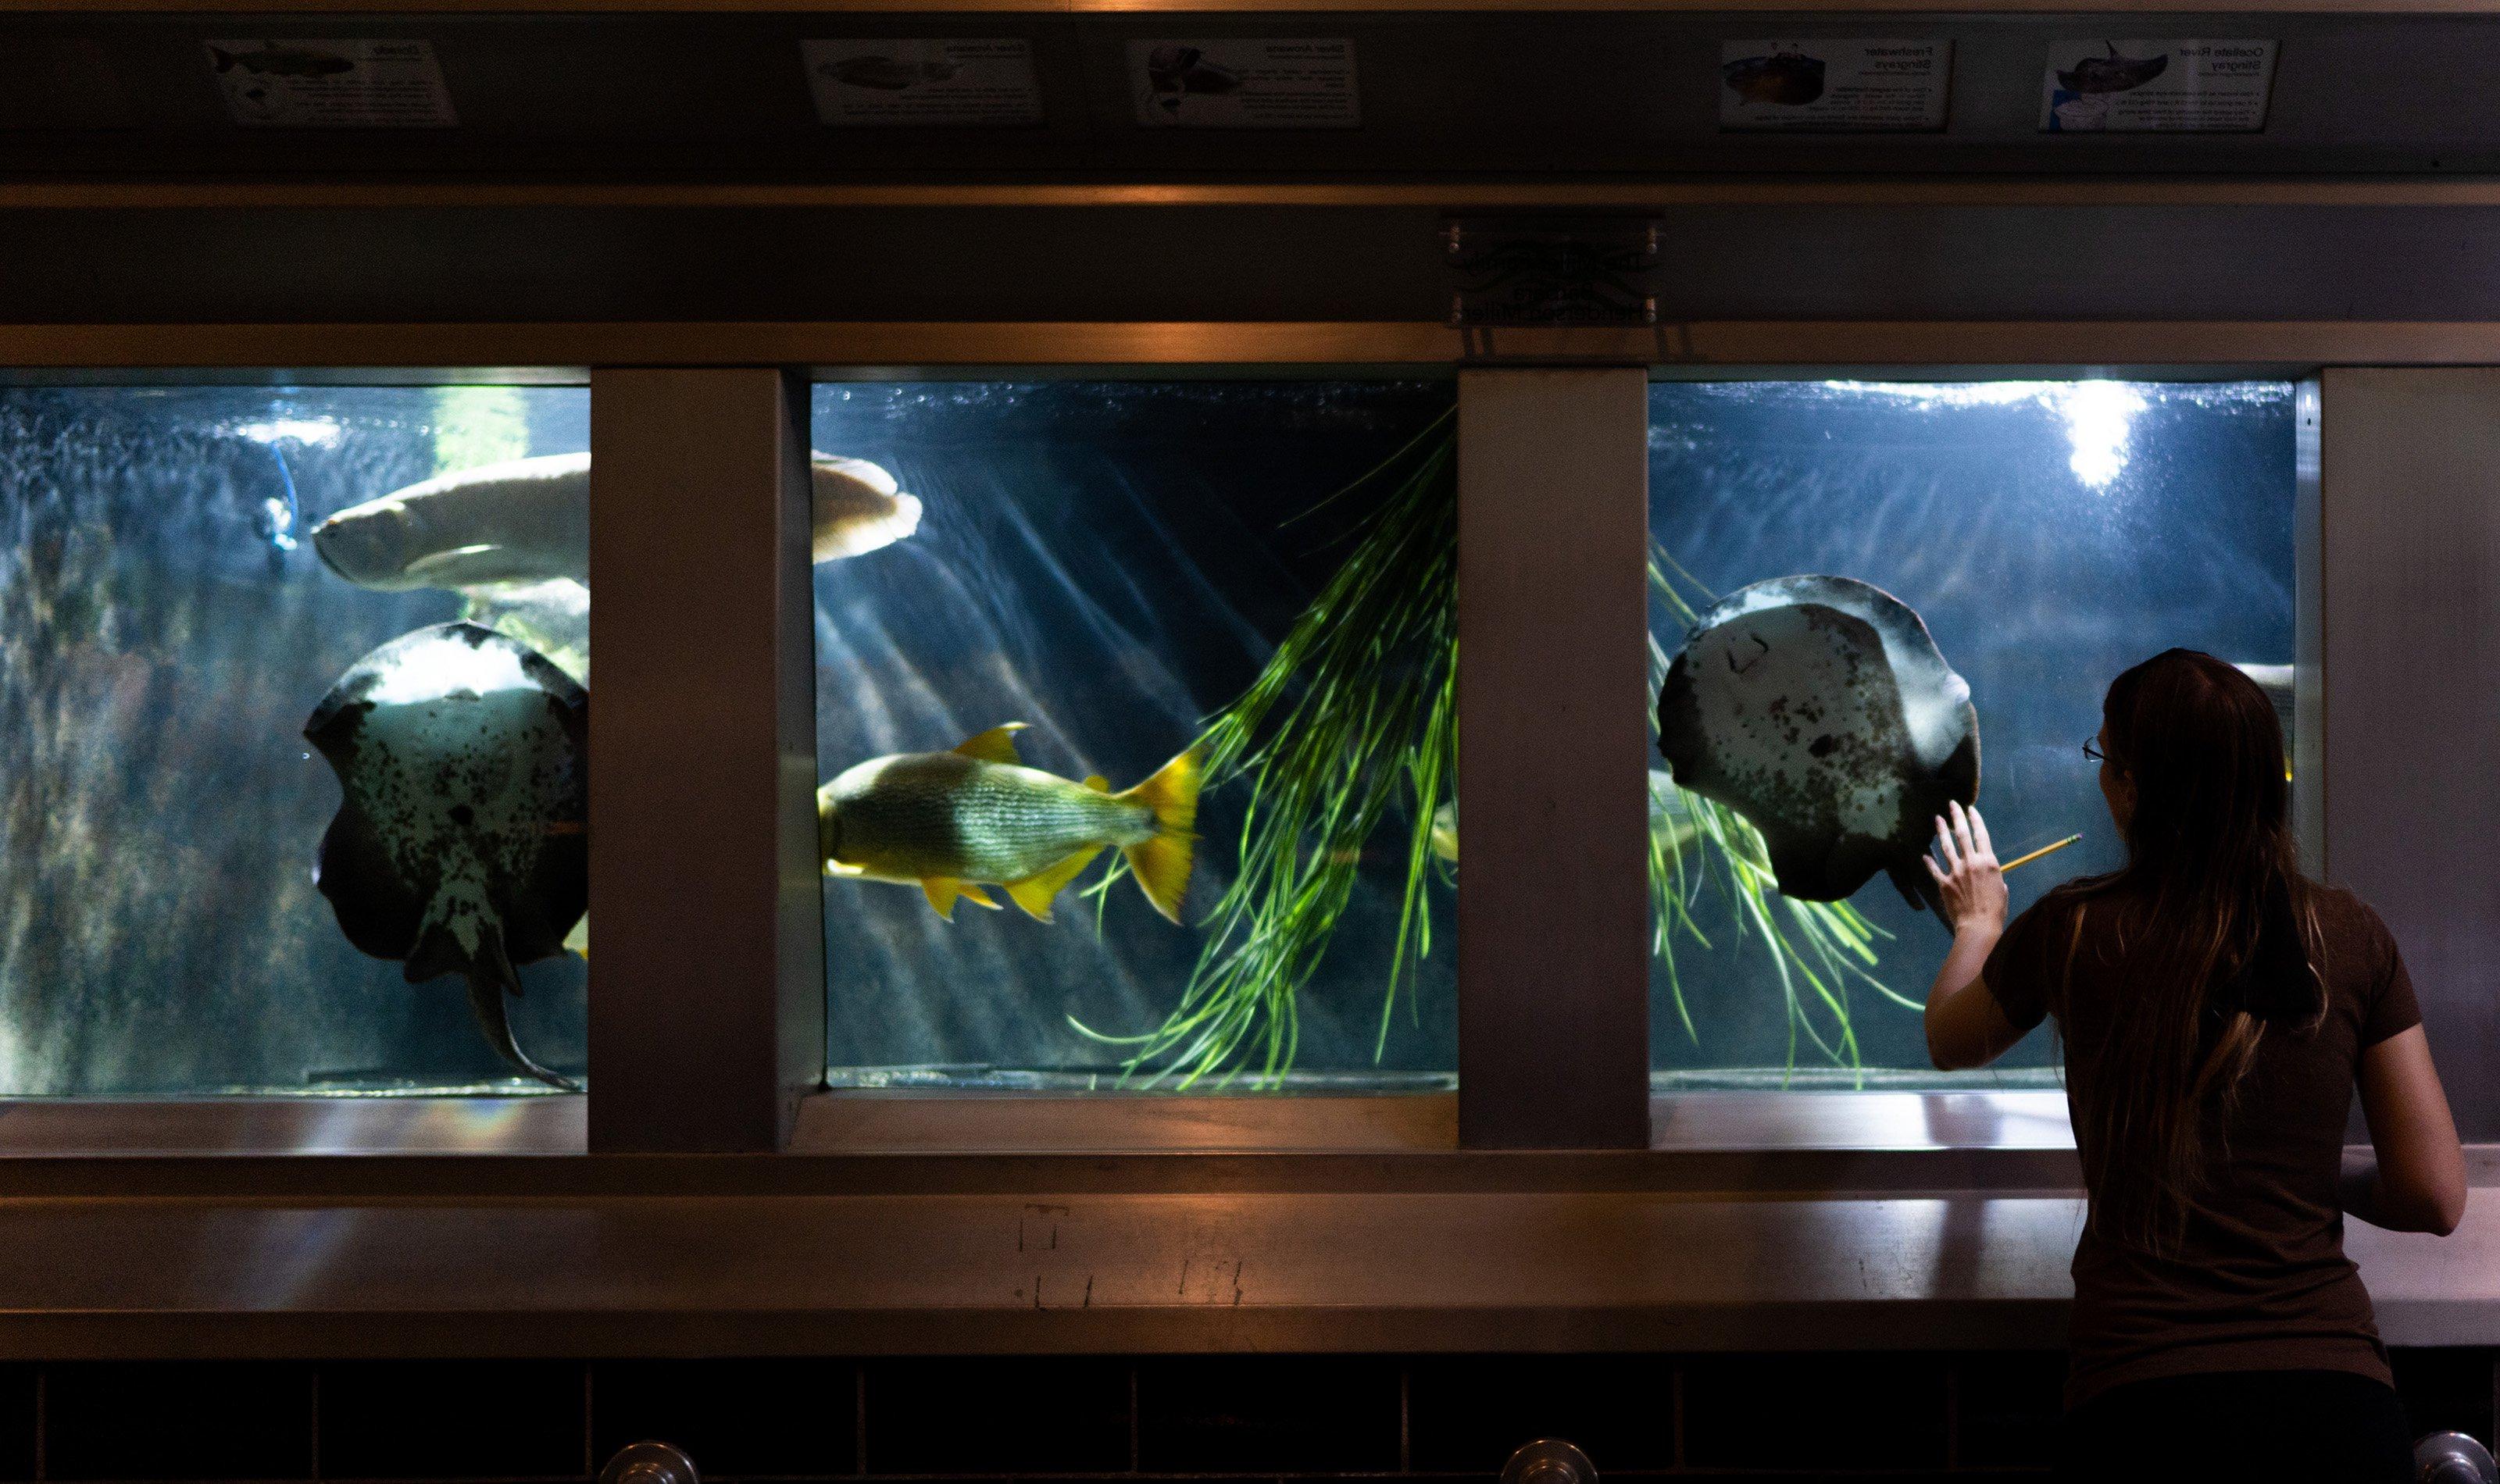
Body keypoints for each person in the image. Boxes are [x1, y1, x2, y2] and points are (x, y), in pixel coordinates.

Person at [1920, 648, 2466, 1482]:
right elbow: (2432, 1193)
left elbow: (1950, 1038)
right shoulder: (2347, 932)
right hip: (2335, 1409)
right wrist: (2313, 1178)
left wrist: (1978, 920)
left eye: (2104, 759)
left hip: (2142, 1410)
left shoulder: (2072, 930)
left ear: (2133, 788)